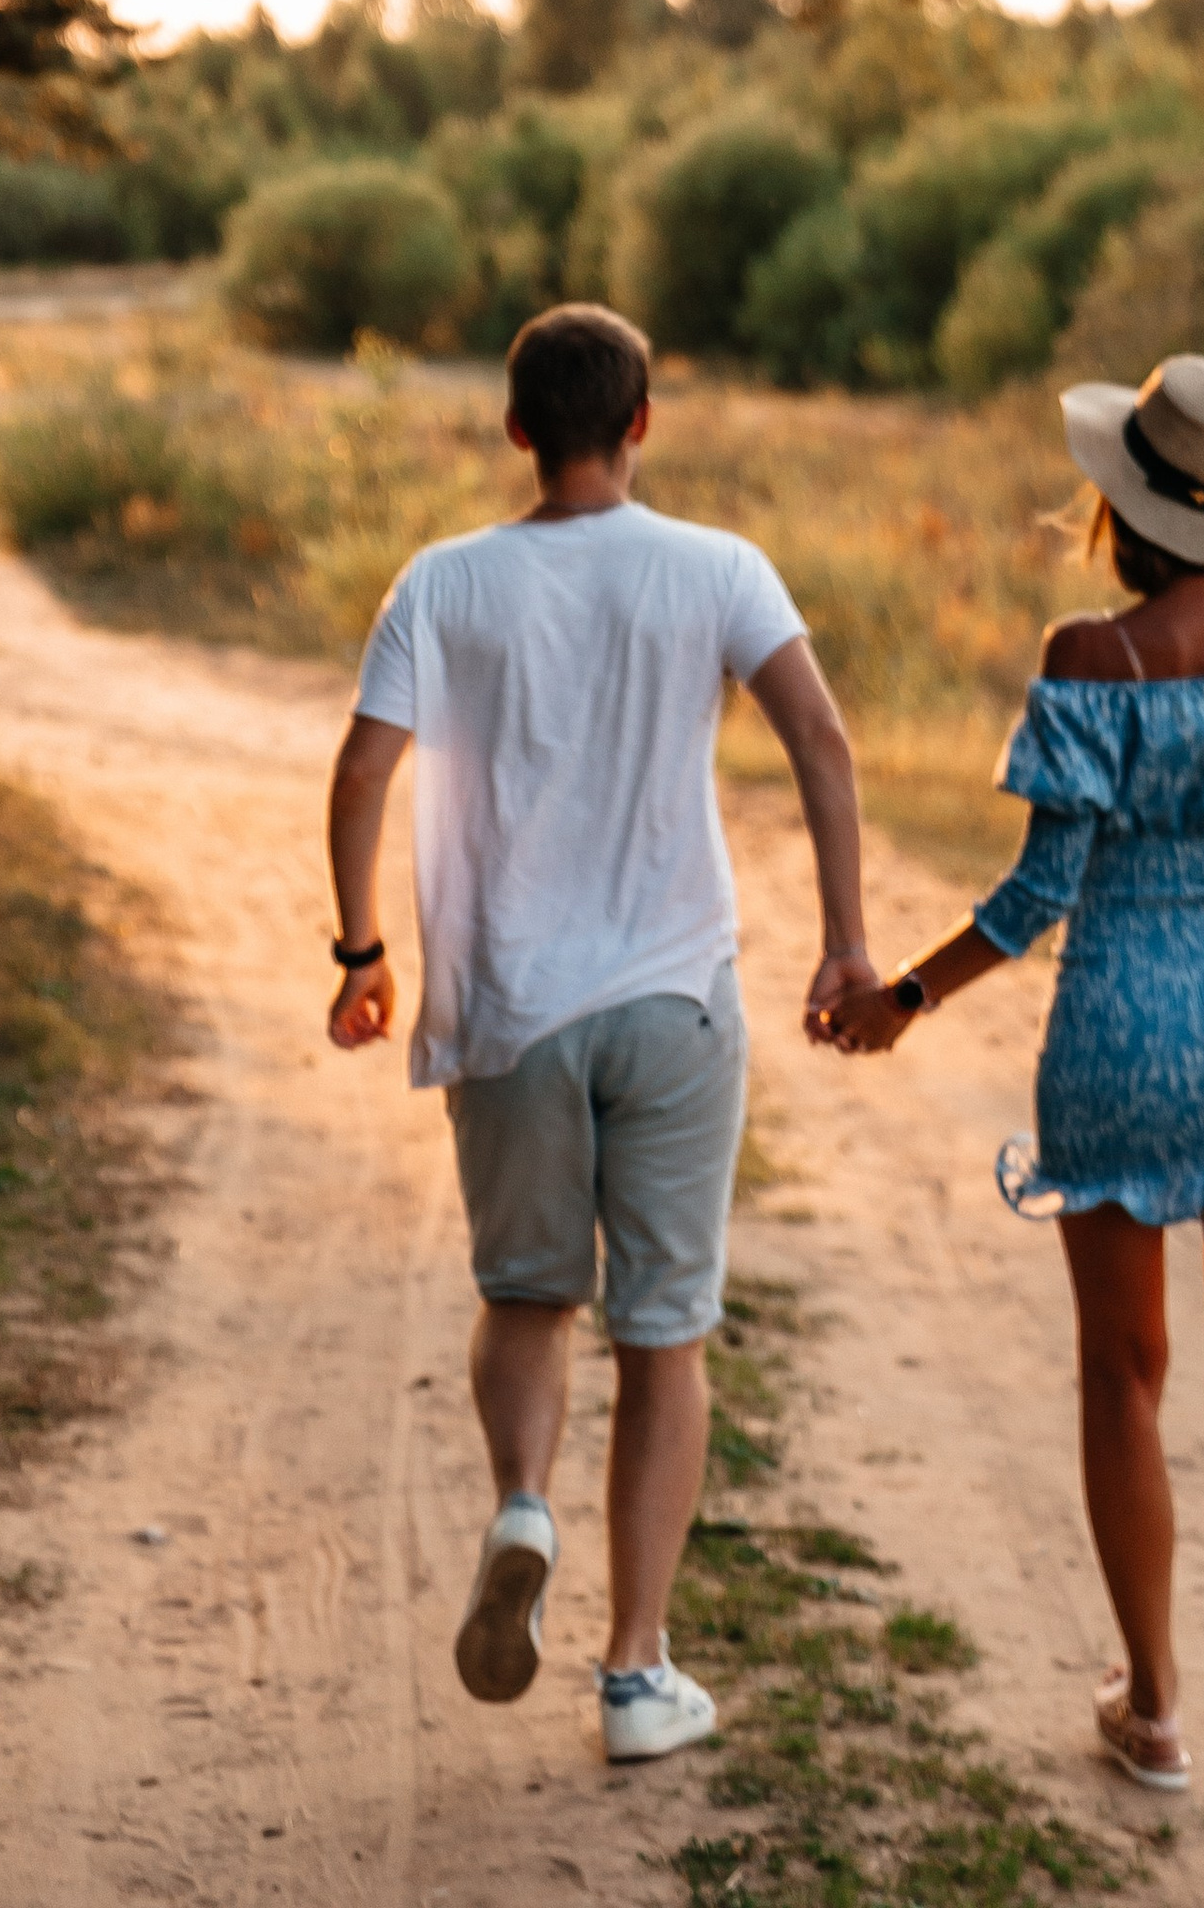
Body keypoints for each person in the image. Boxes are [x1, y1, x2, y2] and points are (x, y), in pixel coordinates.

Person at [822, 352, 1204, 1846]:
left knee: (1122, 1373)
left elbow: (1034, 895)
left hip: (1125, 1021)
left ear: (1123, 503)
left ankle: (1155, 1708)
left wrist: (905, 999)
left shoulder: (1095, 656)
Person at [326, 302, 875, 1764]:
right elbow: (821, 736)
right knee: (666, 1333)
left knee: (526, 1296)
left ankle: (523, 1501)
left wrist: (364, 951)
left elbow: (364, 769)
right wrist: (846, 941)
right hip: (674, 997)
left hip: (509, 1007)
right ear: (642, 423)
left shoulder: (441, 585)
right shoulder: (719, 567)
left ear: (517, 428)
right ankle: (638, 1673)